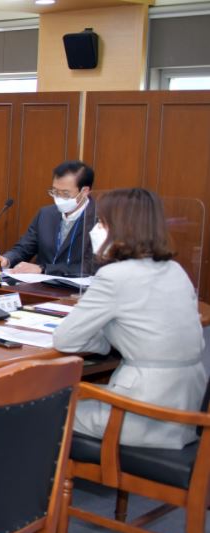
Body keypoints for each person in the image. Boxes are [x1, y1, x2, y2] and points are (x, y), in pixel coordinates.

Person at [53, 188, 207, 449]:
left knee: (42, 408)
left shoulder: (115, 276)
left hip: (140, 412)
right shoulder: (175, 270)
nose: (96, 229)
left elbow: (65, 340)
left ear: (120, 227)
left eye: (102, 222)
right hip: (185, 411)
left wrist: (103, 344)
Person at [0, 160, 97, 277]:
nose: (59, 198)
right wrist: (7, 259)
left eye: (65, 193)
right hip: (40, 285)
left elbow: (93, 266)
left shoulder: (101, 219)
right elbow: (24, 248)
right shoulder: (46, 214)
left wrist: (44, 269)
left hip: (77, 287)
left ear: (84, 191)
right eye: (55, 191)